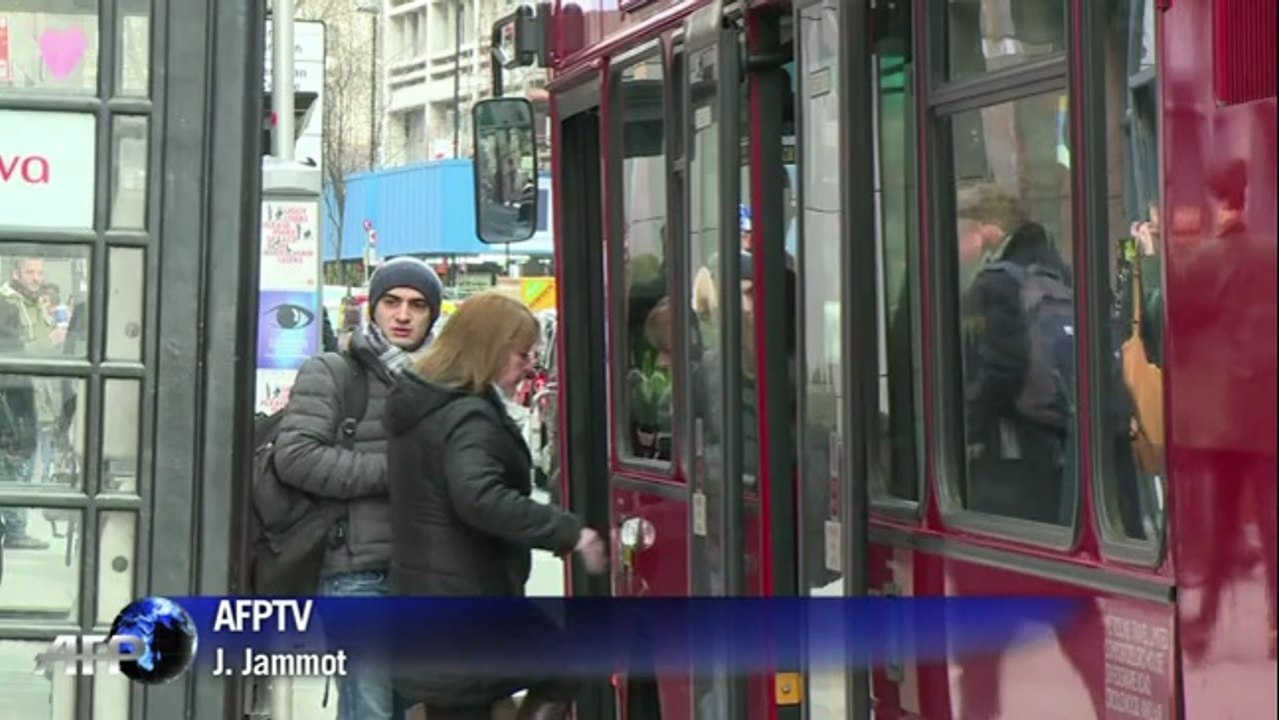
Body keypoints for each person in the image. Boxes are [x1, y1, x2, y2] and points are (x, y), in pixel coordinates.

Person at [383, 291, 608, 720]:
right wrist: (570, 531)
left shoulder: (424, 404)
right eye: (522, 353)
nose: (529, 366)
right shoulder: (468, 416)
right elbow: (480, 497)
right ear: (490, 348)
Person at [272, 256, 444, 720]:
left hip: (429, 574)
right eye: (392, 302)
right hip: (356, 572)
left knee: (414, 707)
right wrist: (397, 471)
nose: (403, 315)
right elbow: (295, 457)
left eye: (417, 304)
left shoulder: (447, 382)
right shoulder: (332, 371)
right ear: (374, 309)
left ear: (433, 314)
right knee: (368, 708)